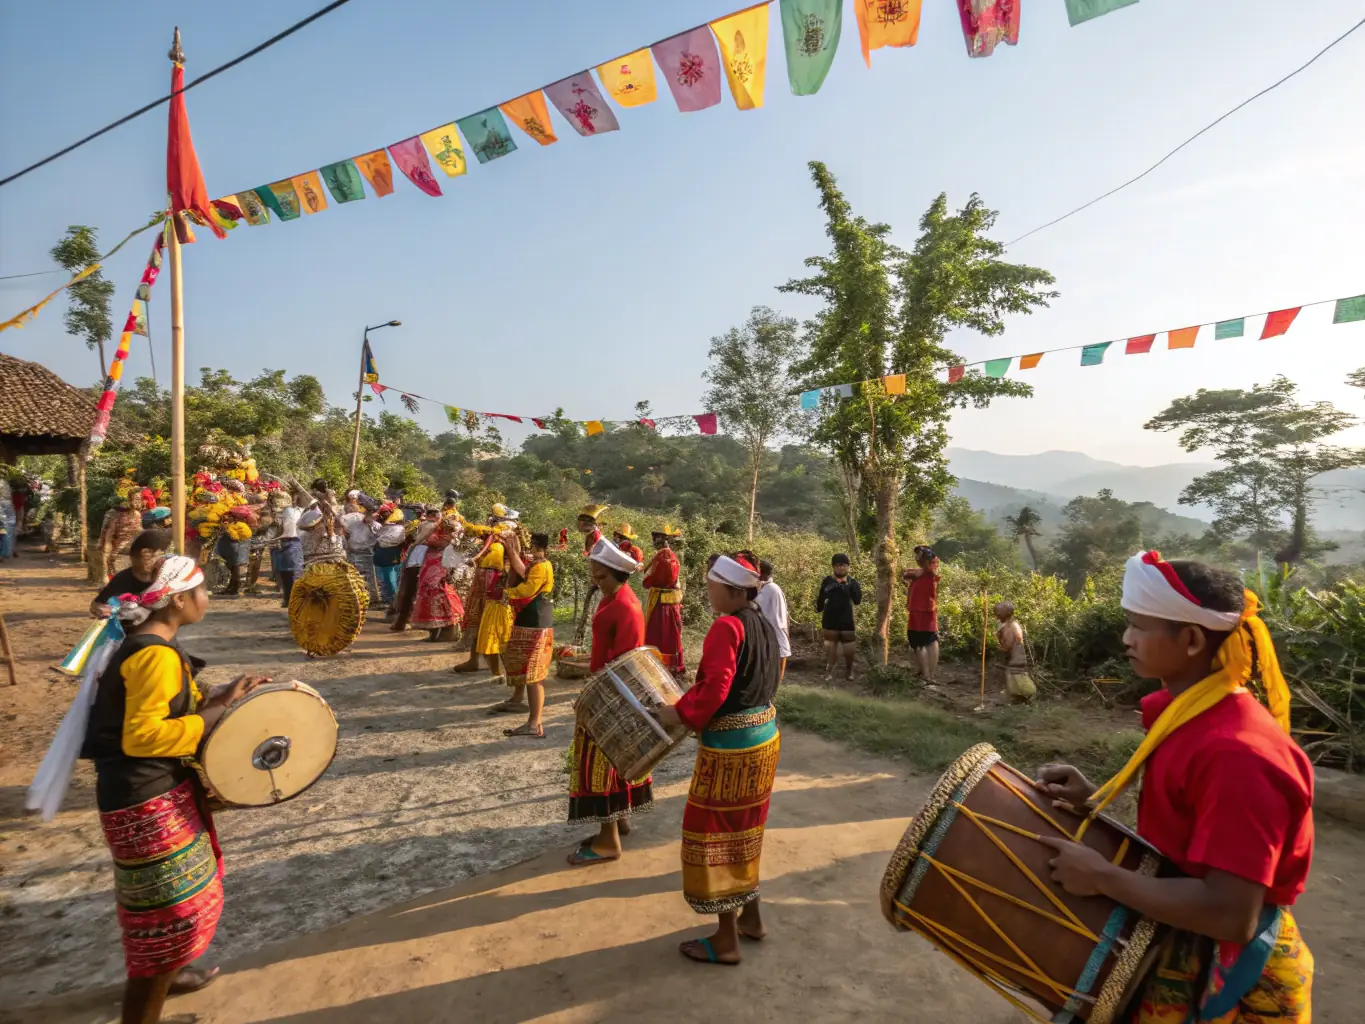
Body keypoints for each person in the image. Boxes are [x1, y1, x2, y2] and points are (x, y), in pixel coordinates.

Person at [1034, 552, 1313, 1022]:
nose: (1126, 638)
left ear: (1189, 639)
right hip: (1180, 937)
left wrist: (1103, 876)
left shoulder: (1239, 755)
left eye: (1138, 626)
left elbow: (1231, 916)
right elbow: (1187, 834)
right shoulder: (1191, 713)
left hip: (1226, 976)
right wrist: (1095, 801)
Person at [80, 555, 271, 1024]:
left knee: (168, 903)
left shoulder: (152, 644)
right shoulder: (153, 655)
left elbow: (162, 709)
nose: (207, 599)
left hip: (148, 790)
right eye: (202, 592)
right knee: (170, 913)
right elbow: (142, 736)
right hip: (145, 795)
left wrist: (222, 698)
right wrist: (208, 720)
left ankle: (172, 974)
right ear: (180, 599)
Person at [655, 554, 781, 966]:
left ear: (732, 589)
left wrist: (677, 712)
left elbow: (714, 689)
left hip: (733, 746)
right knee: (746, 830)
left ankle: (726, 940)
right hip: (764, 734)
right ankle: (753, 919)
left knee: (716, 835)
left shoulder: (727, 625)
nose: (707, 591)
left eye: (712, 585)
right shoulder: (760, 619)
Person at [566, 538, 649, 865]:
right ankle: (620, 824)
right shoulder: (617, 599)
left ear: (617, 573)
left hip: (612, 695)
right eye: (594, 576)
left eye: (601, 577)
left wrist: (596, 694)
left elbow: (624, 661)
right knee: (617, 765)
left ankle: (608, 840)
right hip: (608, 687)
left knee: (603, 767)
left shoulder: (622, 605)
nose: (595, 583)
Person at [499, 532, 555, 738]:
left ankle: (534, 723)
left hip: (537, 622)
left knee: (534, 674)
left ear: (537, 546)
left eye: (531, 545)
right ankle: (517, 700)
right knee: (521, 663)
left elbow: (527, 589)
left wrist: (505, 594)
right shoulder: (537, 563)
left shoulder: (542, 566)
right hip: (530, 620)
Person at [469, 508, 519, 678]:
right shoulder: (492, 536)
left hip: (496, 583)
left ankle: (501, 671)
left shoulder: (509, 535)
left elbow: (515, 561)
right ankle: (474, 661)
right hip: (484, 579)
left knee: (494, 626)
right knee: (479, 620)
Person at [410, 512, 466, 641]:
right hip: (434, 565)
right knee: (435, 593)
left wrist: (413, 547)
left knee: (436, 593)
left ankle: (441, 632)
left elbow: (419, 541)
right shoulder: (448, 535)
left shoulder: (442, 535)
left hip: (437, 565)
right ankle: (439, 632)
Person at [90, 531, 171, 617]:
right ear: (145, 553)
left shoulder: (168, 577)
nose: (163, 560)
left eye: (163, 555)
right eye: (161, 555)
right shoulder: (122, 579)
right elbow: (96, 605)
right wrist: (100, 609)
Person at [643, 525, 686, 678]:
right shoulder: (665, 555)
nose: (654, 541)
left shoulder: (666, 557)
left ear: (662, 540)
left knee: (663, 633)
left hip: (664, 603)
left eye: (656, 538)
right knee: (665, 632)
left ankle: (665, 666)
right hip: (664, 600)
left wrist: (647, 581)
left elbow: (659, 578)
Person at [390, 506, 438, 631]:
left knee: (410, 591)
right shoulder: (430, 525)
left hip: (420, 560)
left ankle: (405, 620)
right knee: (413, 591)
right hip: (422, 561)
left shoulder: (425, 526)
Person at [816, 553, 861, 680]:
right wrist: (819, 608)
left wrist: (848, 587)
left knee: (849, 648)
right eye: (838, 565)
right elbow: (821, 598)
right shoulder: (827, 581)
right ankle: (828, 672)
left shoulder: (853, 582)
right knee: (830, 646)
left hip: (846, 618)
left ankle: (849, 671)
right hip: (830, 618)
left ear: (848, 567)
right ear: (833, 567)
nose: (841, 568)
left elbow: (857, 600)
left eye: (844, 565)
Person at [572, 503, 609, 643]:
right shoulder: (590, 535)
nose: (580, 526)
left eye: (582, 524)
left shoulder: (597, 536)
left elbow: (594, 556)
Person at [903, 545, 941, 683]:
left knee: (927, 641)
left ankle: (928, 675)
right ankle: (925, 673)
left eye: (919, 555)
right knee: (920, 642)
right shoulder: (919, 572)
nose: (917, 557)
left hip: (926, 611)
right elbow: (905, 574)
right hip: (916, 610)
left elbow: (933, 564)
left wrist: (927, 558)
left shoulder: (931, 571)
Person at [755, 559, 791, 682]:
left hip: (775, 635)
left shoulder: (772, 589)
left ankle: (771, 696)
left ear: (763, 573)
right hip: (769, 636)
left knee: (773, 676)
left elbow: (776, 617)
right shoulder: (765, 588)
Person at [993, 601, 1036, 702]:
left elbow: (1008, 645)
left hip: (1015, 657)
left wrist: (999, 647)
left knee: (1018, 679)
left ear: (1006, 613)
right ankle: (1017, 698)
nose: (996, 615)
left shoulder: (1012, 626)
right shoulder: (1006, 624)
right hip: (1011, 658)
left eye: (998, 612)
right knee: (1012, 680)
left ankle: (1028, 696)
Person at [339, 503, 380, 605]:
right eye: (366, 514)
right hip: (354, 553)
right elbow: (347, 533)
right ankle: (358, 597)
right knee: (355, 576)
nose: (366, 516)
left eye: (368, 514)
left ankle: (372, 599)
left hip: (367, 553)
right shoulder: (355, 525)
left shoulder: (376, 525)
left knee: (369, 577)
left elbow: (378, 536)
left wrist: (370, 525)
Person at [98, 495, 145, 580]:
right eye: (136, 499)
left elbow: (139, 530)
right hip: (120, 553)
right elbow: (107, 537)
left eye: (140, 499)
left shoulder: (136, 514)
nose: (139, 502)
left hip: (129, 552)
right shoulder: (113, 515)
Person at [273, 491, 306, 608]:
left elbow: (279, 530)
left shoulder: (282, 514)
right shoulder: (303, 512)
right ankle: (293, 600)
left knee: (287, 574)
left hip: (289, 542)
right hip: (297, 542)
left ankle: (289, 599)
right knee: (296, 573)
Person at [372, 504, 407, 608]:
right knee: (382, 579)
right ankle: (387, 599)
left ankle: (394, 601)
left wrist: (379, 541)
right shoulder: (381, 526)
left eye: (386, 512)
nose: (384, 514)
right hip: (381, 554)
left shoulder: (399, 528)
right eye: (382, 513)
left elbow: (395, 540)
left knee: (391, 579)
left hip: (391, 553)